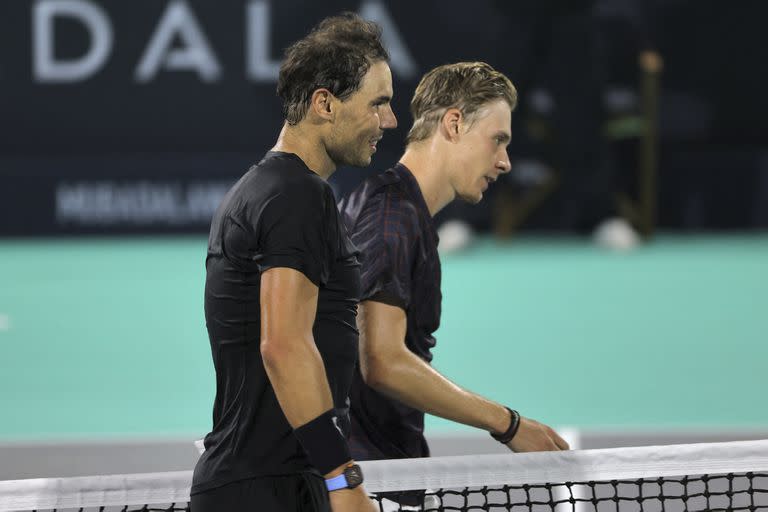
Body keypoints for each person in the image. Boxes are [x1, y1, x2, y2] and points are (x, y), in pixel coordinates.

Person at [191, 13, 396, 512]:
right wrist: (341, 479)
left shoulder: (267, 190)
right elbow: (283, 345)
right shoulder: (296, 196)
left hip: (268, 483)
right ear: (325, 103)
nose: (388, 122)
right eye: (378, 104)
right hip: (272, 490)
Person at [339, 62, 568, 477]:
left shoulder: (398, 211)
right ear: (454, 123)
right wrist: (508, 424)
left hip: (379, 470)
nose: (505, 162)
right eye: (497, 141)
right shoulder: (391, 218)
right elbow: (382, 361)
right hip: (365, 480)